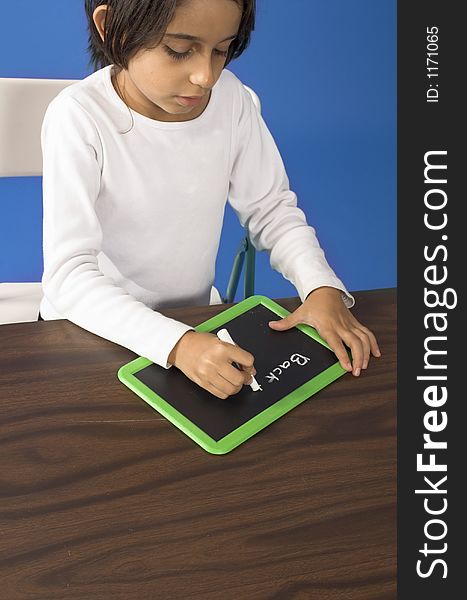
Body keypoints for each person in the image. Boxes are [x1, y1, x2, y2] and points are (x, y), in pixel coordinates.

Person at [40, 0, 381, 400]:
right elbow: (69, 277)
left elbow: (271, 209)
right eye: (179, 50)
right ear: (111, 27)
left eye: (221, 50)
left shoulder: (231, 100)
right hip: (91, 333)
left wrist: (320, 287)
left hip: (196, 324)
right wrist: (178, 344)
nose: (206, 76)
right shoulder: (78, 117)